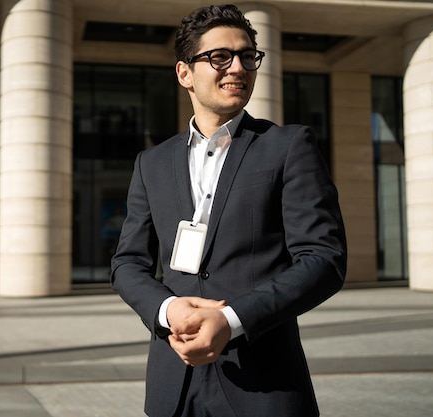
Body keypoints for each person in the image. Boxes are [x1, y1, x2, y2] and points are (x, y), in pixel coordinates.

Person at [111, 4, 347, 417]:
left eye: (247, 56)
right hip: (174, 385)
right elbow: (128, 263)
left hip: (263, 386)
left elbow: (324, 259)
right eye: (220, 57)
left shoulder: (289, 147)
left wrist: (234, 319)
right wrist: (168, 310)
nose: (237, 67)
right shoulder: (151, 163)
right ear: (185, 73)